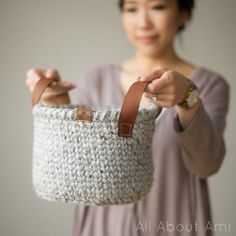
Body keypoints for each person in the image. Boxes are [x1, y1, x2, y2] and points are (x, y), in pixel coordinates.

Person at [25, 0, 230, 235]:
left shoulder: (210, 85)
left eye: (158, 7)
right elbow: (76, 158)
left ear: (183, 14)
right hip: (102, 227)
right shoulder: (97, 80)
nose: (143, 23)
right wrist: (56, 101)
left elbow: (207, 165)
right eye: (131, 9)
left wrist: (187, 96)